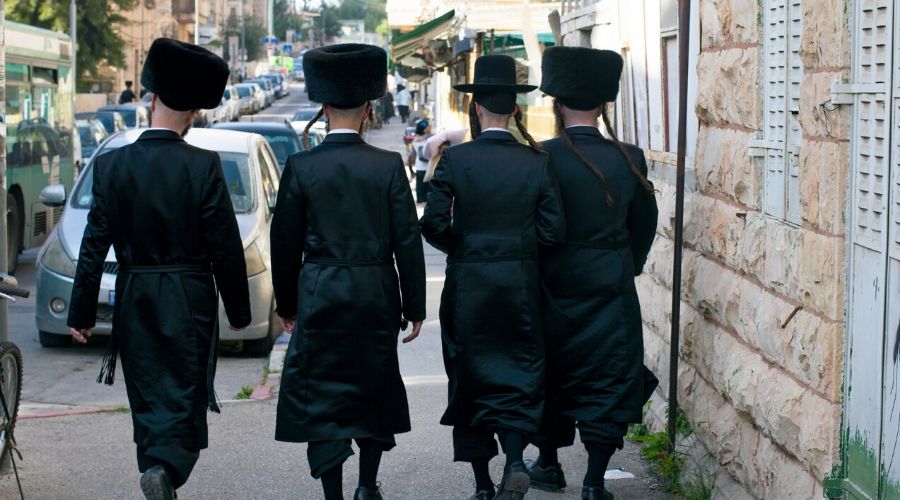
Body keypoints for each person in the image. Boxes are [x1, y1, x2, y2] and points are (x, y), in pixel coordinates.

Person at [67, 38, 251, 500]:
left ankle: (154, 465)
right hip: (190, 296)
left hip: (135, 295)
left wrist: (81, 313)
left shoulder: (111, 166)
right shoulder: (204, 166)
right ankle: (167, 470)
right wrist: (240, 311)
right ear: (193, 113)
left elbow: (93, 246)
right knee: (186, 393)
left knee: (146, 392)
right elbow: (225, 246)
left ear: (151, 101)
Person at [272, 43, 427, 500]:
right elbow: (407, 241)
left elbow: (285, 243)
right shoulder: (387, 165)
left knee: (322, 392)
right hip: (375, 290)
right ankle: (366, 487)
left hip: (319, 290)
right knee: (372, 385)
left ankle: (335, 495)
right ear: (368, 108)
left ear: (322, 107)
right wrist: (415, 306)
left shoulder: (301, 166)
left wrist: (287, 304)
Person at [420, 54, 566, 500]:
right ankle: (518, 459)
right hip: (520, 284)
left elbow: (433, 223)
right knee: (521, 374)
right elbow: (553, 229)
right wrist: (518, 252)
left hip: (470, 287)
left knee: (470, 377)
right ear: (516, 110)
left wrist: (465, 249)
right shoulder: (536, 162)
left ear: (477, 108)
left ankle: (483, 486)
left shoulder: (455, 159)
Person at [524, 46, 659, 500]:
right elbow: (645, 223)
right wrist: (628, 264)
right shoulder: (631, 158)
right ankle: (595, 482)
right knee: (609, 375)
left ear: (557, 104)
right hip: (610, 282)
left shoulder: (540, 157)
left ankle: (547, 464)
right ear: (603, 105)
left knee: (553, 372)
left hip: (552, 284)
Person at [410, 119, 431, 203]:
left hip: (419, 167)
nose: (430, 127)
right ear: (424, 129)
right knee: (428, 190)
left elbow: (411, 155)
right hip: (429, 167)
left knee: (420, 188)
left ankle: (421, 200)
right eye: (428, 126)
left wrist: (411, 169)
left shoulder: (414, 140)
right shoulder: (429, 140)